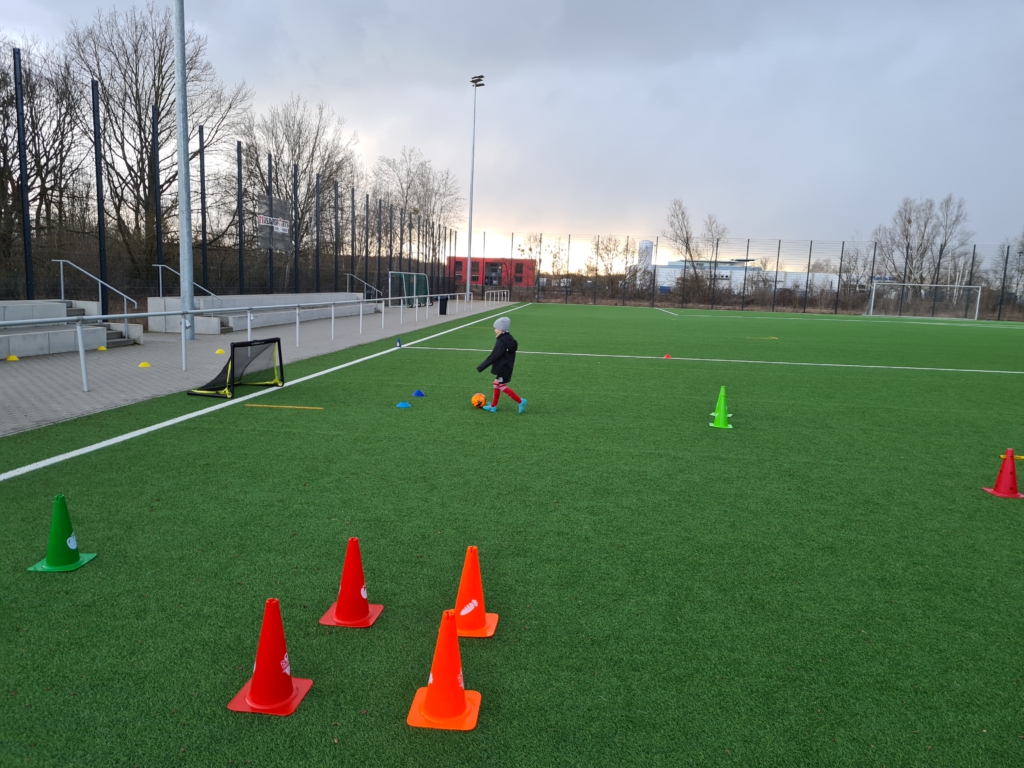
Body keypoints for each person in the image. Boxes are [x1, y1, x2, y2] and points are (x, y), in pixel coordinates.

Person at [477, 316, 526, 413]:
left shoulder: (501, 341)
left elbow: (494, 356)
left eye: (496, 328)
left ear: (501, 330)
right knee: (496, 384)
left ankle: (520, 401)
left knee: (502, 385)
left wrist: (481, 366)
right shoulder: (508, 338)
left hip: (504, 367)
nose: (495, 330)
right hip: (504, 366)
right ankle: (493, 406)